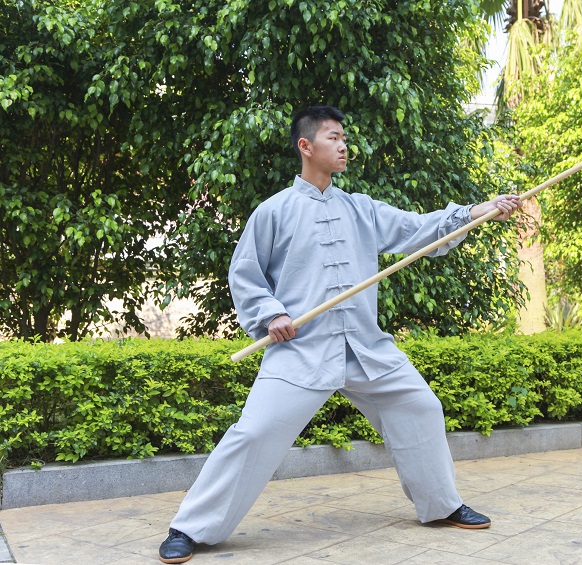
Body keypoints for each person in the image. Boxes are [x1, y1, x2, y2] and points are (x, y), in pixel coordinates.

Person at [158, 106, 521, 564]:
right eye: (333, 138)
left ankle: (440, 506)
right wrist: (271, 315)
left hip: (366, 349)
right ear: (305, 146)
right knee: (253, 432)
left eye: (344, 138)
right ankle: (190, 528)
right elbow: (245, 274)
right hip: (300, 350)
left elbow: (416, 229)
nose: (344, 145)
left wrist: (480, 210)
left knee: (421, 407)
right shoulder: (273, 211)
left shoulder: (361, 208)